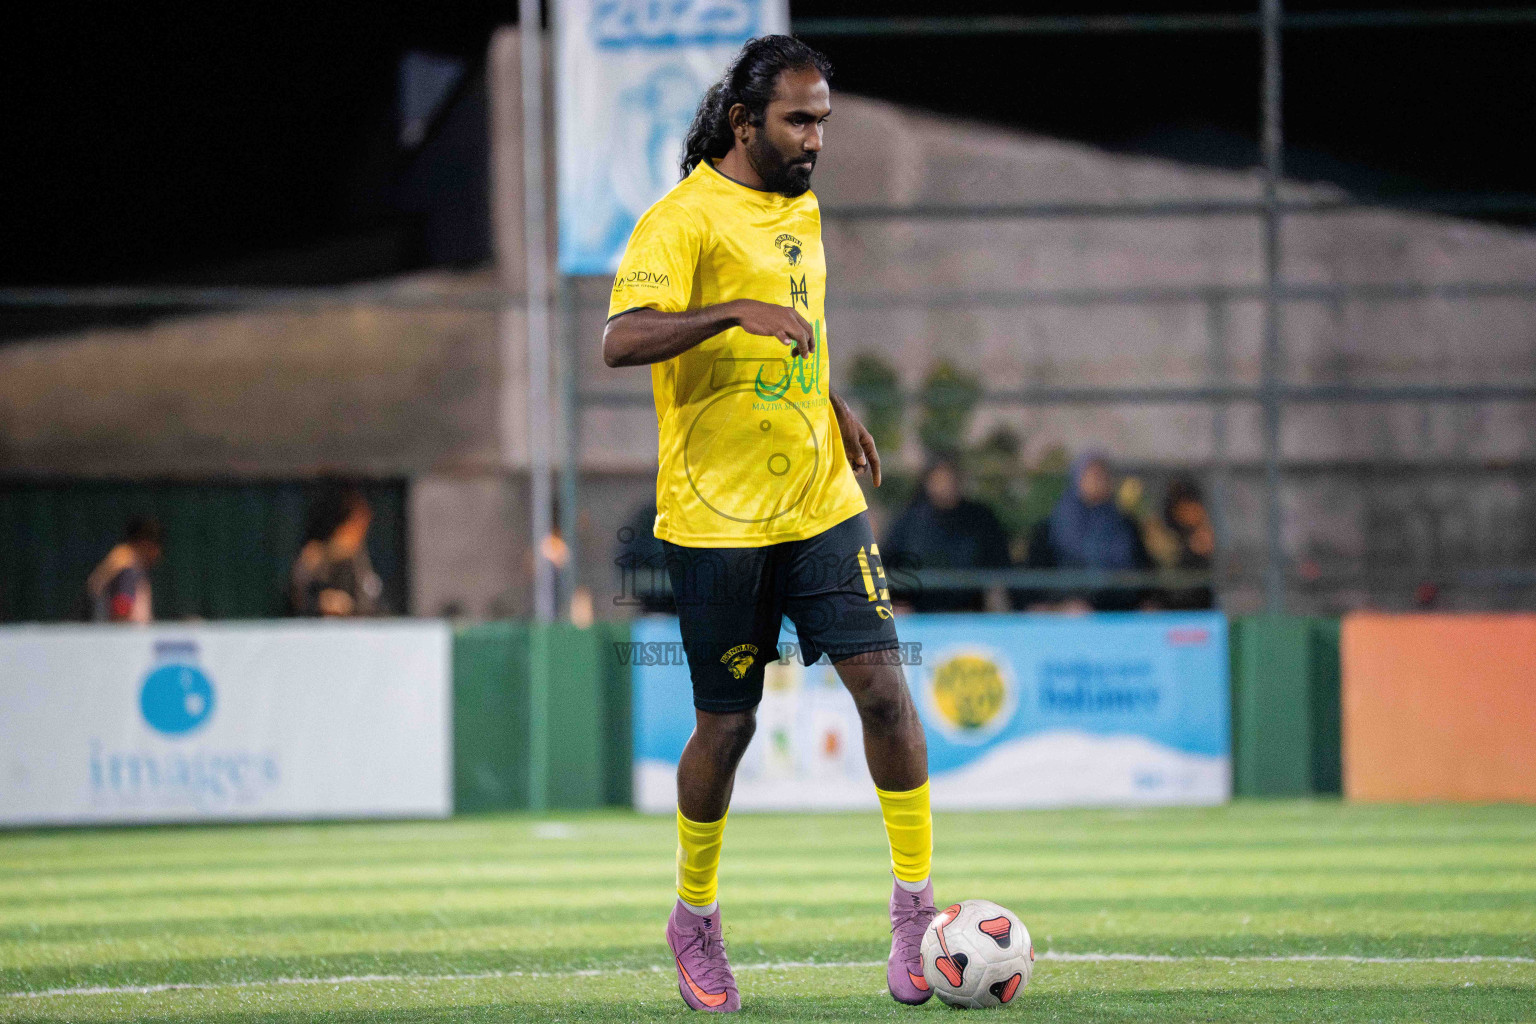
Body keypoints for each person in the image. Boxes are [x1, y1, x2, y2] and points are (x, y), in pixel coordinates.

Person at [602, 36, 935, 1012]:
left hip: (820, 501)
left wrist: (829, 403)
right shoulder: (682, 219)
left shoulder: (804, 207)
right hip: (715, 521)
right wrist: (729, 310)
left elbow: (799, 328)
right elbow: (620, 338)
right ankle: (694, 916)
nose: (815, 138)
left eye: (823, 120)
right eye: (799, 119)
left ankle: (915, 910)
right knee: (728, 724)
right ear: (747, 122)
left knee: (883, 689)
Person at [882, 454, 1012, 612]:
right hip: (919, 618)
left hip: (971, 617)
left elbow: (1000, 566)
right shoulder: (908, 522)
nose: (945, 486)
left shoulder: (981, 519)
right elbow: (888, 566)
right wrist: (898, 602)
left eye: (950, 479)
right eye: (939, 480)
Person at [1026, 452, 1152, 611]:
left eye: (1103, 476)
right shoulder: (1052, 527)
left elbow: (1143, 571)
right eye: (1092, 476)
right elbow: (1037, 580)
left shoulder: (1124, 526)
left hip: (1120, 608)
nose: (1098, 481)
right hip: (1069, 610)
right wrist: (1059, 606)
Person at [290, 485, 384, 617]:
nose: (360, 532)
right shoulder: (312, 556)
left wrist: (349, 605)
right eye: (355, 525)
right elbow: (295, 600)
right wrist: (319, 602)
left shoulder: (357, 558)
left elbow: (369, 602)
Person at [86, 516, 163, 623]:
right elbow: (121, 608)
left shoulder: (119, 558)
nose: (157, 553)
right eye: (156, 545)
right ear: (145, 543)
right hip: (120, 636)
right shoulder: (127, 567)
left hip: (105, 633)